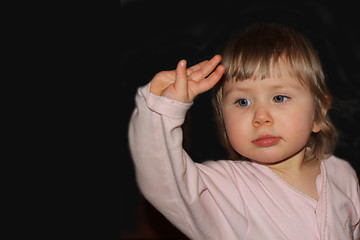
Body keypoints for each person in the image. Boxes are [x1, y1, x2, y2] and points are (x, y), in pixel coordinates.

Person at [128, 24, 360, 239]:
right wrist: (160, 109)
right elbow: (162, 177)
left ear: (318, 114)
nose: (260, 117)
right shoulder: (220, 189)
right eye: (242, 102)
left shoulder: (343, 175)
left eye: (279, 98)